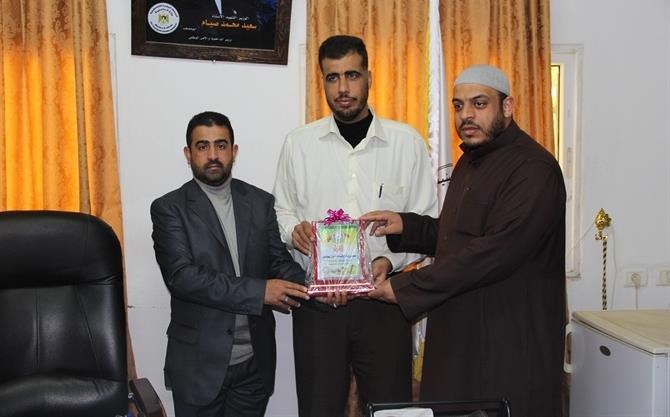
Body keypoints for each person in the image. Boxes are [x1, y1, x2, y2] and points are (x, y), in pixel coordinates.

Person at [361, 64, 566, 417]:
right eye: (458, 106)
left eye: (479, 103)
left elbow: (494, 252)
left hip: (508, 341)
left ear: (507, 106)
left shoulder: (534, 168)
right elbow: (456, 235)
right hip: (462, 336)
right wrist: (405, 225)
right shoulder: (470, 162)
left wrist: (405, 287)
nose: (466, 115)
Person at [272, 35, 438, 416]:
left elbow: (425, 221)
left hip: (383, 303)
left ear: (369, 77)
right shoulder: (299, 144)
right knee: (318, 408)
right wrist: (293, 231)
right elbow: (282, 210)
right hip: (317, 306)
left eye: (352, 75)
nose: (343, 88)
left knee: (391, 409)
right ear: (323, 82)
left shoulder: (406, 143)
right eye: (332, 78)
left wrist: (389, 262)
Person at [150, 111, 309, 417]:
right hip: (199, 367)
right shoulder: (169, 208)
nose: (213, 155)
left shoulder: (260, 202)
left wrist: (320, 282)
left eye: (221, 145)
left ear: (234, 151)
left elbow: (278, 263)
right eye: (202, 146)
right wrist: (260, 292)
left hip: (254, 366)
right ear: (188, 154)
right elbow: (182, 278)